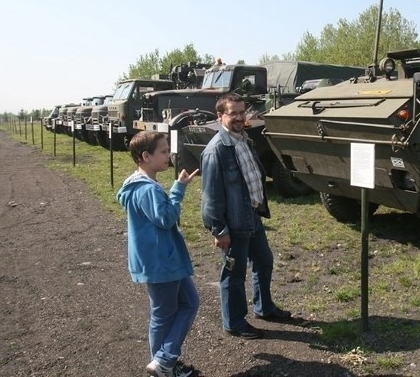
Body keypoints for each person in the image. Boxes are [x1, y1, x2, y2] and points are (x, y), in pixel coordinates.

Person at [200, 92, 291, 339]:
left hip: (252, 215)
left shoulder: (244, 140)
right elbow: (210, 197)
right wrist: (219, 230)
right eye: (233, 113)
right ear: (220, 117)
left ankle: (264, 308)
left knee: (264, 261)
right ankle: (235, 323)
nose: (240, 118)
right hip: (233, 222)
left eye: (242, 112)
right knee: (234, 273)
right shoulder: (216, 150)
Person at [117, 131, 200, 377]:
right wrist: (179, 189)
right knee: (165, 314)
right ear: (145, 156)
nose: (168, 155)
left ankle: (165, 363)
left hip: (161, 260)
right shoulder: (147, 190)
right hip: (161, 262)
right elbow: (166, 218)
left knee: (187, 303)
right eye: (163, 152)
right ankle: (164, 361)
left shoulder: (136, 184)